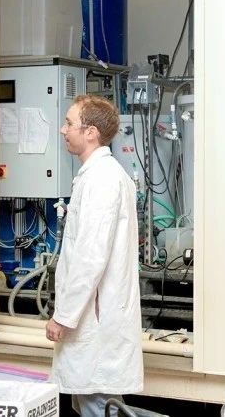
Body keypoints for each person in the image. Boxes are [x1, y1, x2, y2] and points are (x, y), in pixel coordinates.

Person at [47, 95, 144, 417]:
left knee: (97, 404)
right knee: (92, 401)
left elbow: (90, 258)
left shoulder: (103, 180)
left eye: (69, 123)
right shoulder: (99, 176)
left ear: (90, 133)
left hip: (95, 322)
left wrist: (64, 316)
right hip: (93, 319)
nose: (63, 130)